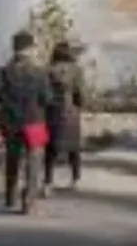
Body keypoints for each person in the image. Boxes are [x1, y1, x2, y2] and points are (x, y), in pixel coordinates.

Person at [0, 30, 50, 214]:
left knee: (12, 158)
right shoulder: (40, 73)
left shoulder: (2, 72)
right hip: (35, 122)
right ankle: (29, 200)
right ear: (29, 49)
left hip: (10, 122)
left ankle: (10, 197)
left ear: (14, 49)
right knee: (34, 160)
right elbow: (47, 98)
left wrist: (6, 99)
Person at [43, 41, 86, 193]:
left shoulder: (48, 70)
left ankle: (48, 181)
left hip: (52, 113)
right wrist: (79, 105)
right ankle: (75, 179)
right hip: (71, 113)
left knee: (50, 149)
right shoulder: (76, 70)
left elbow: (44, 92)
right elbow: (79, 93)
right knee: (74, 148)